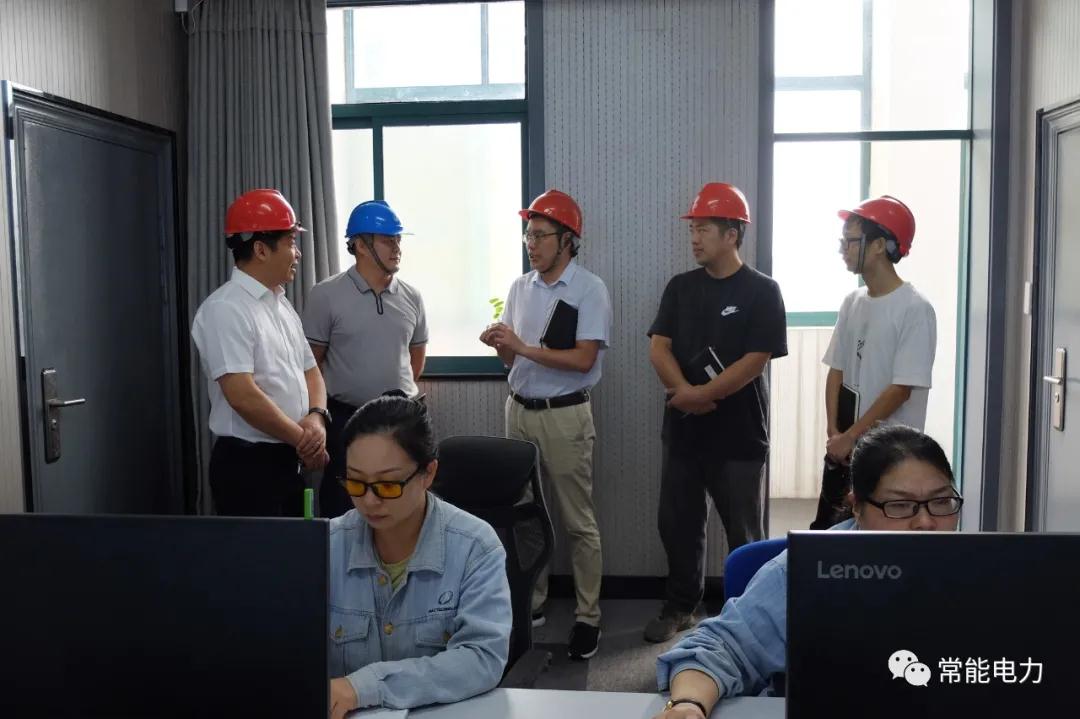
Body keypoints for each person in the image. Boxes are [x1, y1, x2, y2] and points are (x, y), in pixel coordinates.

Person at [654, 425, 963, 718]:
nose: (926, 522)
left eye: (941, 501)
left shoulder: (974, 568)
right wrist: (688, 704)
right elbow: (717, 649)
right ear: (857, 506)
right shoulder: (810, 571)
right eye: (900, 505)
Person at [644, 182, 788, 643]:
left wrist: (702, 393)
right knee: (677, 524)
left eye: (704, 229)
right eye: (693, 229)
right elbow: (659, 347)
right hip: (684, 432)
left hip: (739, 436)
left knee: (744, 532)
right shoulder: (680, 287)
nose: (694, 238)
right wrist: (687, 394)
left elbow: (756, 359)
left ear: (732, 234)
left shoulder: (762, 290)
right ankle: (682, 605)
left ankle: (754, 614)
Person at [478, 188, 612, 661]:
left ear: (567, 240)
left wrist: (522, 346)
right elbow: (510, 360)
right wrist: (501, 343)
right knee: (523, 513)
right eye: (527, 235)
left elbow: (583, 359)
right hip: (518, 410)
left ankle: (588, 616)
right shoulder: (520, 288)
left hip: (565, 415)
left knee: (578, 521)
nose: (531, 244)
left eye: (540, 235)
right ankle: (530, 601)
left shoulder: (589, 289)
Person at [327, 391, 512, 717]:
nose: (369, 501)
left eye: (387, 485)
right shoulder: (327, 545)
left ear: (428, 473)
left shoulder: (475, 547)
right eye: (356, 483)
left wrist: (365, 687)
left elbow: (482, 658)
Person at [191, 188, 329, 516]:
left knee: (295, 545)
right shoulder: (226, 308)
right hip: (249, 467)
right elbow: (242, 396)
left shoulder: (280, 305)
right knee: (258, 550)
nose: (297, 253)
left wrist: (317, 418)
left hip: (289, 457)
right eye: (291, 242)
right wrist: (304, 440)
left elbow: (311, 371)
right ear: (260, 249)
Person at [810, 195, 937, 529]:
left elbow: (900, 390)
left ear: (880, 245)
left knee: (881, 542)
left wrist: (851, 436)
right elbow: (836, 370)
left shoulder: (914, 308)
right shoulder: (852, 302)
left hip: (891, 456)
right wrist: (835, 432)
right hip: (844, 450)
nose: (843, 249)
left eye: (850, 241)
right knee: (828, 536)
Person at [303, 200, 428, 518]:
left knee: (401, 500)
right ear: (360, 245)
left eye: (398, 239)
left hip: (401, 418)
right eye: (388, 240)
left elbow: (416, 359)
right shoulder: (325, 295)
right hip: (346, 418)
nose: (397, 248)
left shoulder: (412, 296)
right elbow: (311, 365)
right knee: (344, 501)